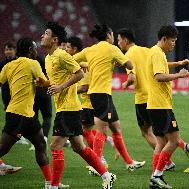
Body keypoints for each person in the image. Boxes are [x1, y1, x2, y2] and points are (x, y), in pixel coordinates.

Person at [39, 22, 116, 189]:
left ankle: (53, 186)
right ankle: (107, 175)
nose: (42, 36)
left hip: (69, 108)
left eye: (46, 33)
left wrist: (60, 87)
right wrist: (44, 83)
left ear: (55, 39)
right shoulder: (48, 58)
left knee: (55, 145)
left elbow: (80, 73)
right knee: (79, 147)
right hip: (65, 108)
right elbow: (55, 81)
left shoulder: (61, 55)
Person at [117, 28, 189, 171]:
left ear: (125, 40)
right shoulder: (146, 50)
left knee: (149, 132)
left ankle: (165, 164)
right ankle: (161, 169)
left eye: (119, 40)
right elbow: (161, 66)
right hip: (155, 96)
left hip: (144, 98)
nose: (118, 43)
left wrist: (125, 84)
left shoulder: (129, 55)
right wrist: (178, 63)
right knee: (162, 133)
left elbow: (133, 77)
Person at [73, 24, 145, 172]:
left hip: (100, 94)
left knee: (116, 127)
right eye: (112, 35)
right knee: (102, 130)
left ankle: (129, 162)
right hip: (102, 94)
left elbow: (71, 60)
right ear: (108, 35)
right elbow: (129, 63)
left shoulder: (90, 49)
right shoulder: (112, 49)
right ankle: (96, 164)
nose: (114, 38)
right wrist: (125, 63)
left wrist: (85, 63)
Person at [0, 37, 52, 188]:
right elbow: (45, 82)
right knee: (3, 148)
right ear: (30, 50)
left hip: (29, 115)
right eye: (35, 48)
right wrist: (54, 82)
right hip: (18, 115)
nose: (36, 50)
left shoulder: (9, 66)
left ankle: (50, 184)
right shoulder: (33, 63)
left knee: (40, 144)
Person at [145, 25, 189, 189]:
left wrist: (178, 63)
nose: (173, 44)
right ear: (164, 39)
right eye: (172, 41)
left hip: (155, 104)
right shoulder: (157, 53)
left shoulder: (156, 52)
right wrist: (179, 74)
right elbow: (159, 76)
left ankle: (154, 178)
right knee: (174, 140)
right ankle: (157, 175)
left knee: (161, 142)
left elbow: (163, 65)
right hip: (160, 105)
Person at [66, 36, 119, 171]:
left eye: (67, 47)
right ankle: (99, 157)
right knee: (88, 130)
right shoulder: (79, 64)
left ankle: (98, 159)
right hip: (90, 101)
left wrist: (66, 89)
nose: (65, 49)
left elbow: (85, 87)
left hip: (89, 103)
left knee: (86, 130)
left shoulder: (83, 63)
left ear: (75, 49)